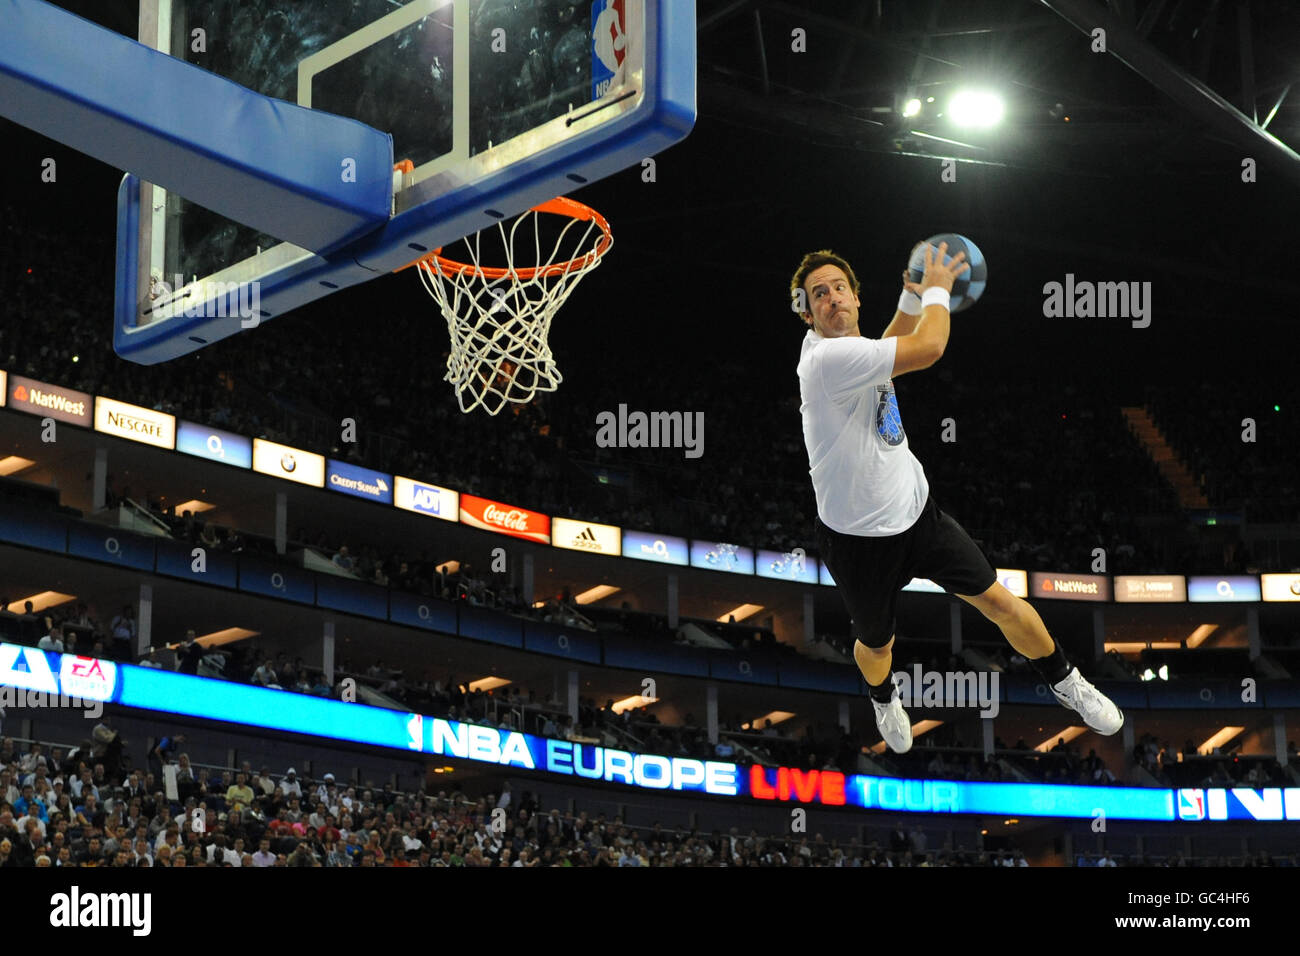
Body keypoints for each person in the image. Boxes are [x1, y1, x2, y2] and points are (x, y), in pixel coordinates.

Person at [790, 246, 1123, 753]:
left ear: (857, 298)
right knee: (877, 645)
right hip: (856, 542)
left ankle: (1067, 682)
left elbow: (891, 348)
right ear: (807, 312)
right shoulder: (826, 361)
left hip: (918, 515)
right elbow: (928, 346)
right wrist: (940, 287)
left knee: (999, 601)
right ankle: (884, 696)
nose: (832, 298)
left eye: (839, 288)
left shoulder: (856, 354)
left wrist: (910, 292)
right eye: (819, 294)